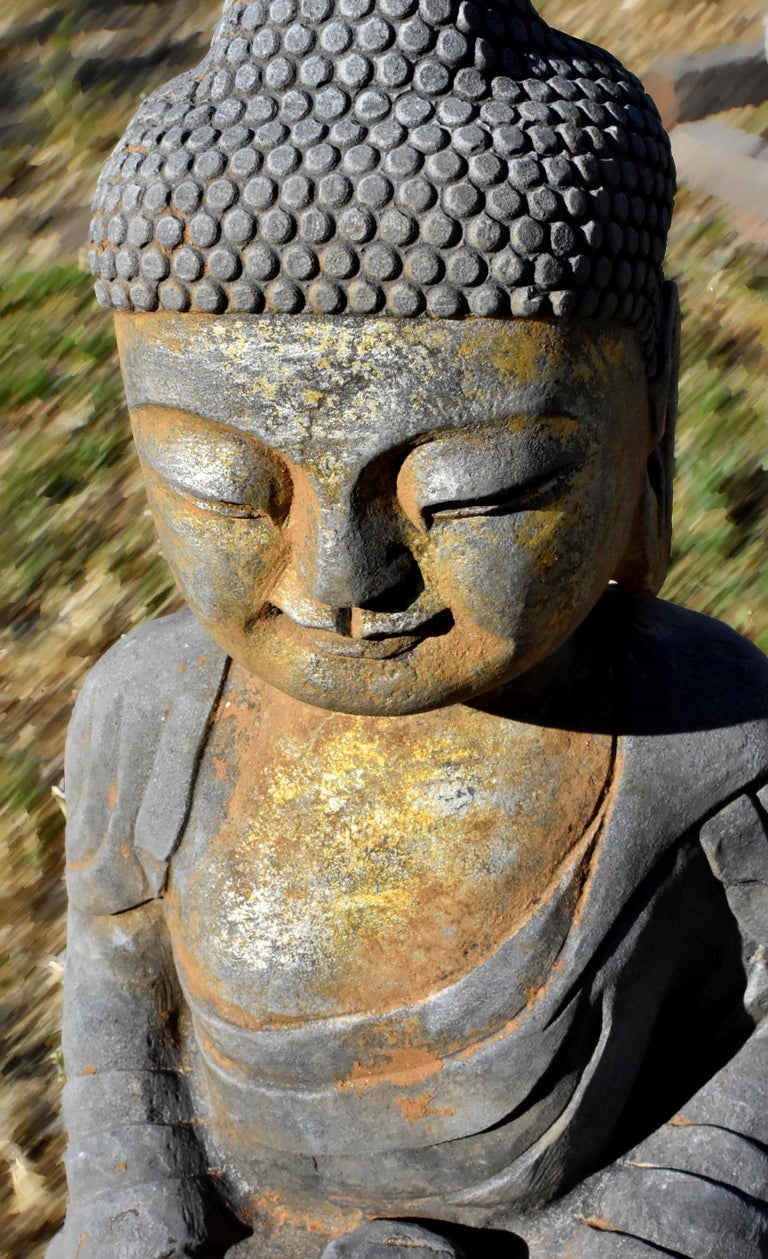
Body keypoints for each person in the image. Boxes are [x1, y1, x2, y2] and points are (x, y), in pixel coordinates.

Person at [52, 1, 768, 1256]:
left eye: (472, 490)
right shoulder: (150, 709)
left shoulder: (702, 728)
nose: (343, 577)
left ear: (647, 403)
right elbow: (116, 987)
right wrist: (132, 1204)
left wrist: (660, 1218)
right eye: (224, 485)